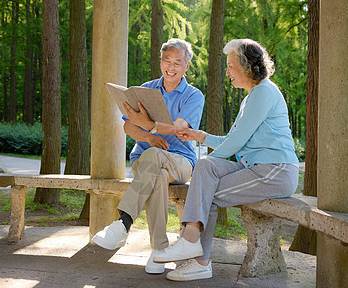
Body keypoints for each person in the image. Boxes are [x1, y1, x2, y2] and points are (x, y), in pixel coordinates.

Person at [152, 38, 299, 281]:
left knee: (205, 192)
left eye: (231, 65)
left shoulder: (263, 92)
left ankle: (197, 255)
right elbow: (232, 141)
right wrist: (199, 136)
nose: (227, 71)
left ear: (247, 67)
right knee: (206, 165)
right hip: (254, 168)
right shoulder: (251, 96)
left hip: (276, 171)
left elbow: (234, 144)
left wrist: (203, 144)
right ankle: (193, 248)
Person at [92, 38, 205, 275]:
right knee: (157, 175)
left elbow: (180, 128)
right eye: (167, 61)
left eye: (178, 62)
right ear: (160, 61)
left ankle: (124, 223)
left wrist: (151, 127)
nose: (171, 67)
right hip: (145, 159)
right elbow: (128, 128)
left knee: (157, 161)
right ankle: (159, 251)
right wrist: (151, 137)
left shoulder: (194, 96)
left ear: (186, 66)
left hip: (181, 162)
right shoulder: (145, 89)